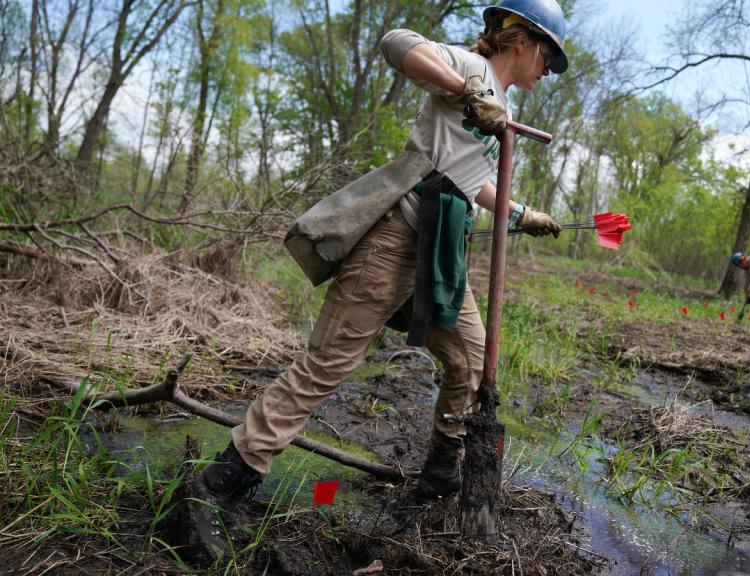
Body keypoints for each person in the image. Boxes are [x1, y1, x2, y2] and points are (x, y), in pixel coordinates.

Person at [186, 0, 570, 563]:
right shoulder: (469, 69)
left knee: (467, 363)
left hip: (442, 255)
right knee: (328, 365)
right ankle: (229, 477)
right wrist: (470, 95)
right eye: (548, 55)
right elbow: (396, 42)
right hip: (397, 238)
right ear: (522, 39)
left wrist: (521, 214)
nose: (547, 69)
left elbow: (473, 182)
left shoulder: (502, 105)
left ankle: (440, 475)